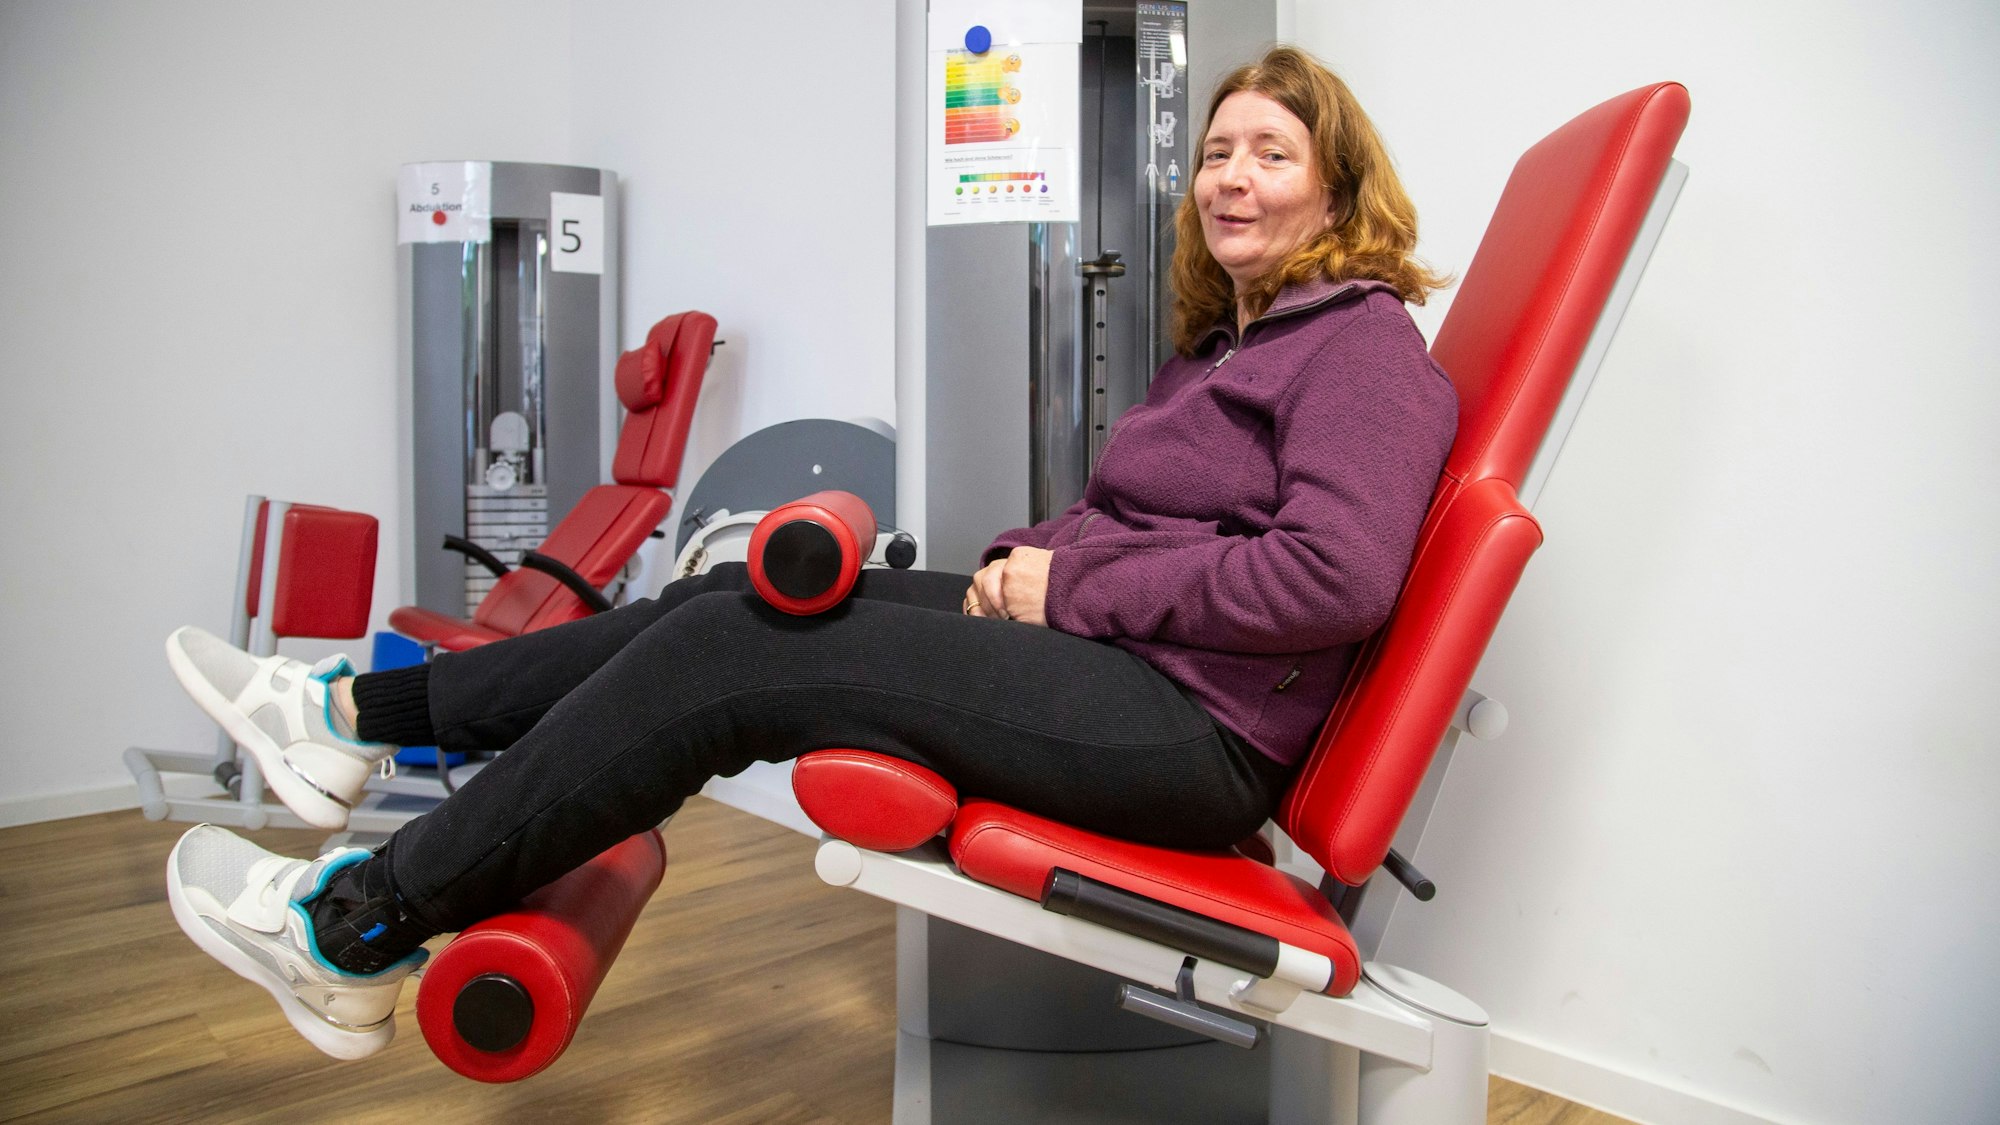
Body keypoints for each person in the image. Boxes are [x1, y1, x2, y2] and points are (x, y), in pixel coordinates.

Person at [162, 46, 1457, 1061]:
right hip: (1113, 659)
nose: (1232, 176)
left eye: (1272, 155)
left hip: (1189, 731)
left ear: (1336, 189)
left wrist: (1067, 586)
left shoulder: (1362, 347)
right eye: (1218, 150)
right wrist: (1022, 564)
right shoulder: (1232, 346)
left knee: (739, 653)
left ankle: (352, 930)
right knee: (728, 588)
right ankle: (355, 714)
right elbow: (1126, 520)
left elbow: (1330, 576)